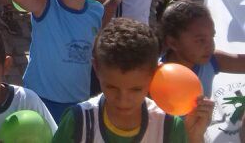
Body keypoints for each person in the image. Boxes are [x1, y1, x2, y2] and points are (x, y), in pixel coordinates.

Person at [53, 18, 213, 143]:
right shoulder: (78, 122)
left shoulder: (169, 126)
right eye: (112, 87)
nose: (123, 100)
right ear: (96, 68)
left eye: (136, 89)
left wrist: (195, 137)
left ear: (154, 74)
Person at [10, 0, 104, 122]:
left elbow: (94, 48)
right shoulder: (45, 4)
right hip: (40, 98)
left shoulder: (96, 10)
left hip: (78, 100)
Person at [160, 0, 245, 97]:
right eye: (201, 40)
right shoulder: (154, 74)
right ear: (173, 43)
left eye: (212, 37)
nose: (210, 46)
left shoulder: (212, 61)